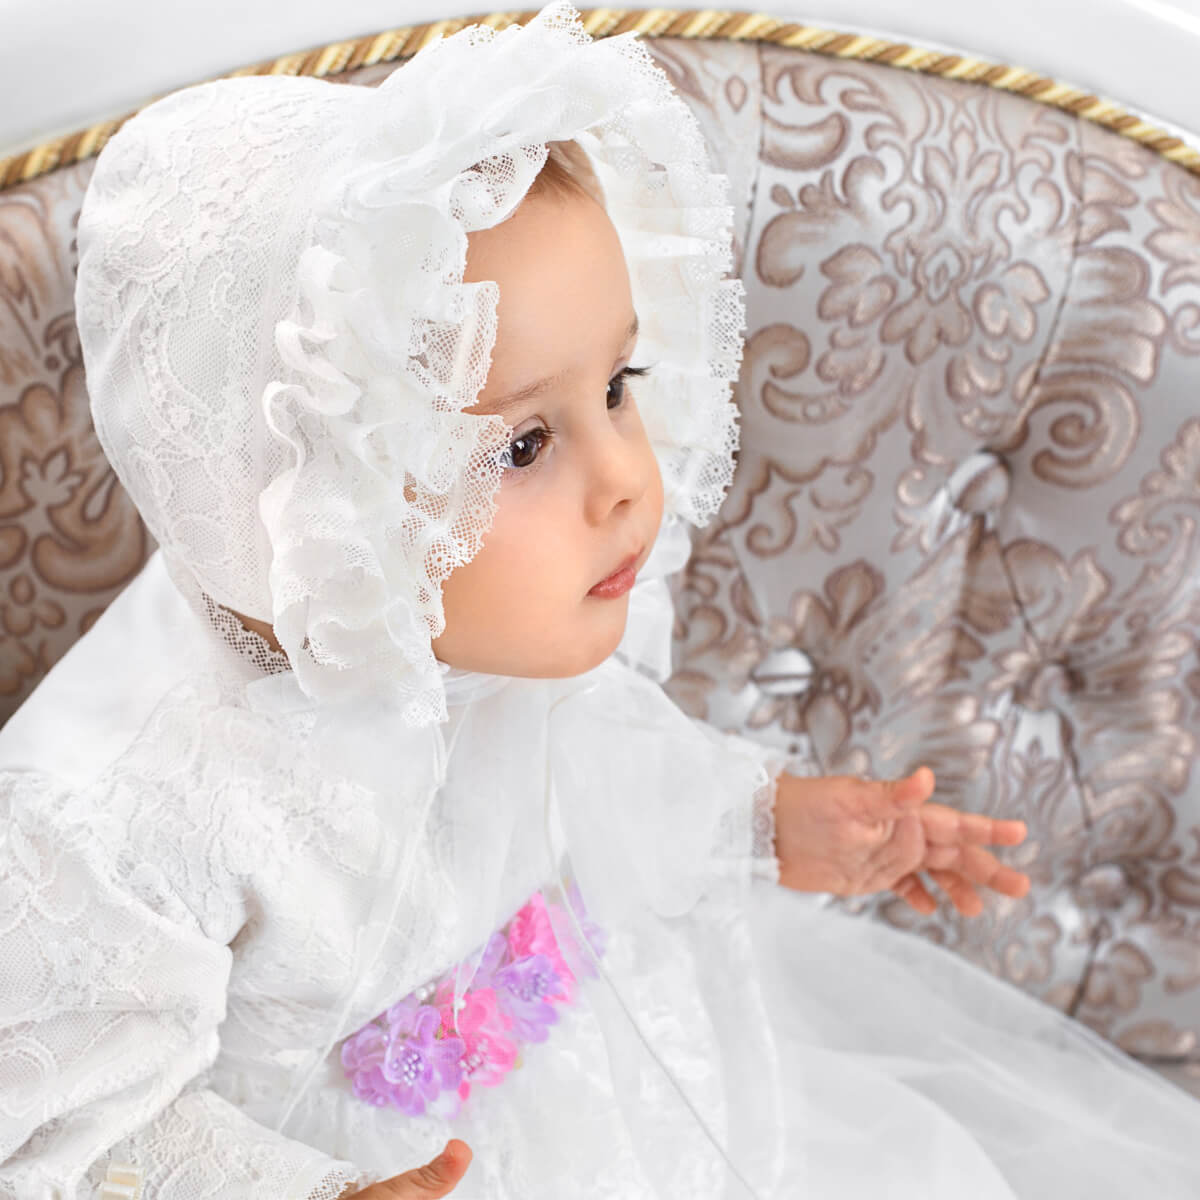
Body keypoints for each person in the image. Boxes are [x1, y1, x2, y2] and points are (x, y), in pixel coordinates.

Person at [2, 5, 1199, 1197]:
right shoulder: (118, 817)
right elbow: (67, 1119)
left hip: (604, 1083)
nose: (628, 478)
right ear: (320, 482)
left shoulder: (469, 618)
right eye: (524, 446)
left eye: (620, 385)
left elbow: (595, 765)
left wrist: (765, 820)